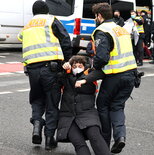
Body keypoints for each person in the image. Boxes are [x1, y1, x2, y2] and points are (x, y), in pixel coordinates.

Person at [76, 3, 137, 154]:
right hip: (130, 74)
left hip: (115, 75)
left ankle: (104, 141)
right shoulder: (121, 29)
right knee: (117, 106)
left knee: (102, 105)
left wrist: (92, 68)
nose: (95, 19)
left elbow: (102, 58)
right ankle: (120, 137)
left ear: (99, 16)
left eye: (95, 16)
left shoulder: (102, 30)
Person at [17, 0, 72, 150]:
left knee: (36, 99)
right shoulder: (51, 20)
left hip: (32, 69)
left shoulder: (27, 25)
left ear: (34, 12)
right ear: (47, 10)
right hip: (51, 69)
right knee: (52, 104)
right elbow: (65, 39)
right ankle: (49, 140)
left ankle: (36, 125)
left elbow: (20, 38)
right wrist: (66, 60)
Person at [57, 56, 110, 155]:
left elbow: (100, 73)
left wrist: (84, 80)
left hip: (88, 114)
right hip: (68, 118)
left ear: (84, 66)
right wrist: (64, 68)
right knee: (79, 143)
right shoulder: (66, 77)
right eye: (74, 66)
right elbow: (58, 77)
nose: (77, 67)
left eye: (80, 65)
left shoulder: (90, 75)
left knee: (95, 137)